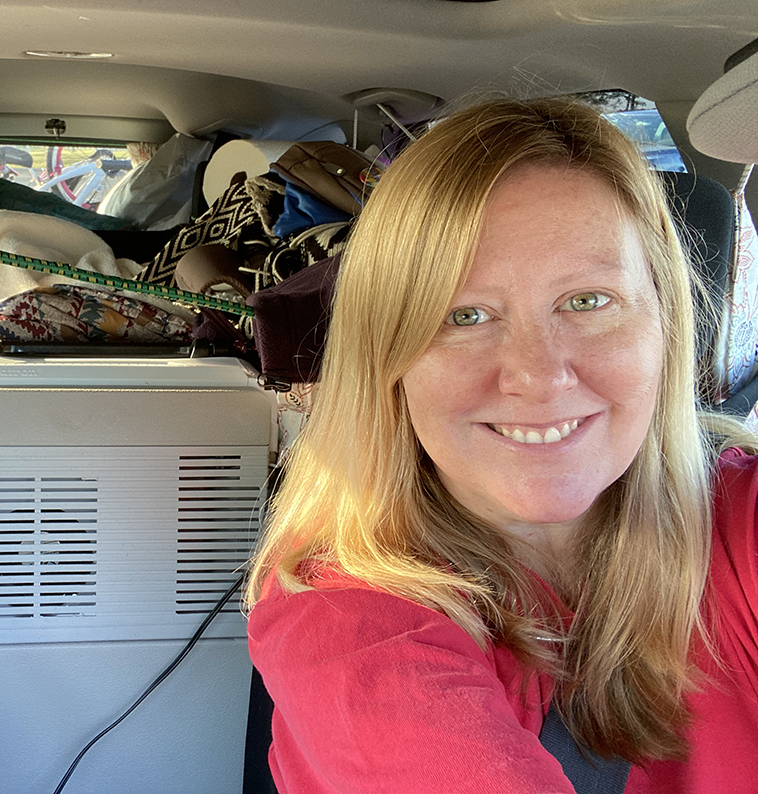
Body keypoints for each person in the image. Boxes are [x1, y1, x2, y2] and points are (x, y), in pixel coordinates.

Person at [245, 97, 758, 793]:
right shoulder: (348, 621)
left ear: (666, 321)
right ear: (388, 358)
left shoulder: (737, 521)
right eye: (466, 316)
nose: (539, 377)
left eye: (588, 300)